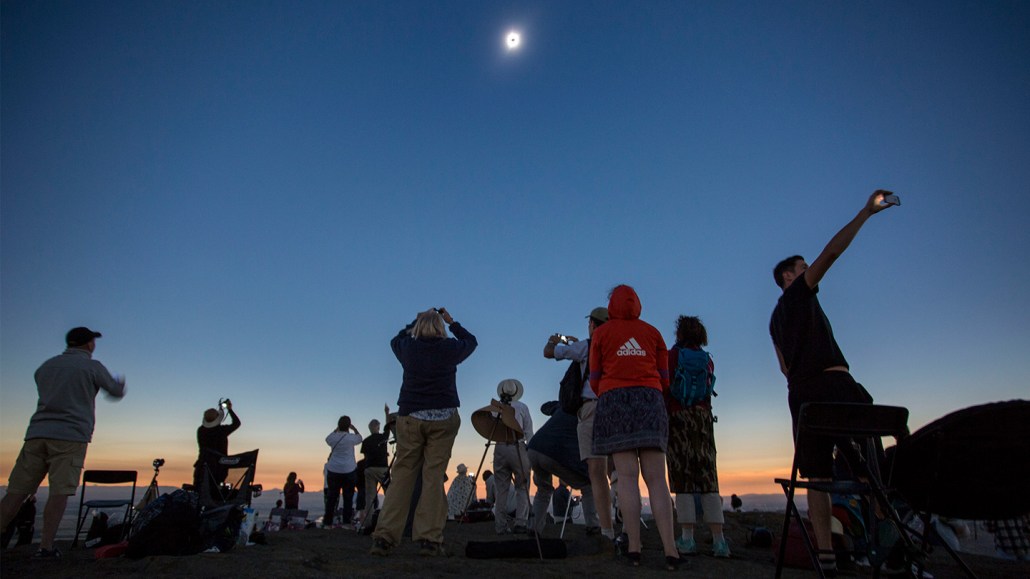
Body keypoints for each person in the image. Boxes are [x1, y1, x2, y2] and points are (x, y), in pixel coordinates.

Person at [770, 190, 896, 574]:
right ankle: (893, 552)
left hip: (803, 399)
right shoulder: (798, 297)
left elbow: (784, 369)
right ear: (789, 276)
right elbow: (832, 254)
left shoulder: (775, 320)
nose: (811, 271)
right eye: (803, 267)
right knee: (871, 475)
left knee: (818, 476)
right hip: (834, 389)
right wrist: (864, 214)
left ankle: (825, 557)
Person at [0, 327, 126, 558]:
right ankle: (46, 547)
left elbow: (43, 389)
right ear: (89, 344)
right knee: (59, 492)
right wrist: (119, 382)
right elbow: (115, 391)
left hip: (36, 433)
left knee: (16, 492)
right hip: (70, 436)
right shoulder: (91, 367)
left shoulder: (46, 367)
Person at [370, 307, 477, 557]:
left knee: (403, 476)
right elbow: (471, 342)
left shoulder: (408, 348)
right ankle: (429, 539)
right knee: (432, 477)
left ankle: (384, 538)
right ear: (440, 328)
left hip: (410, 417)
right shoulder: (450, 349)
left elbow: (395, 338)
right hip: (443, 419)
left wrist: (414, 320)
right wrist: (452, 322)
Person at [589, 285, 680, 570]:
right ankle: (671, 551)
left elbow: (594, 376)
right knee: (657, 480)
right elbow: (665, 376)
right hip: (650, 399)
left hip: (615, 401)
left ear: (611, 305)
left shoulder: (601, 334)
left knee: (626, 479)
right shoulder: (653, 333)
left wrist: (609, 390)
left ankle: (634, 549)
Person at [544, 306, 615, 540]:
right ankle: (626, 525)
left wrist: (555, 341)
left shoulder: (585, 346)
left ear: (593, 325)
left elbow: (548, 352)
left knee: (595, 471)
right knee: (620, 471)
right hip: (617, 409)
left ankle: (606, 530)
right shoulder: (618, 345)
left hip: (592, 408)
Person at [666, 315, 729, 557]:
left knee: (683, 479)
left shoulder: (673, 356)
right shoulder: (706, 359)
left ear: (679, 333)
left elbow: (665, 384)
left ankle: (687, 538)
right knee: (708, 477)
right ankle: (719, 540)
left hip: (678, 418)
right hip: (703, 420)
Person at [528, 401, 599, 535]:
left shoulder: (563, 407)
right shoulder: (587, 412)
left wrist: (562, 402)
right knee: (588, 486)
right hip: (554, 451)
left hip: (534, 448)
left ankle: (533, 529)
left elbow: (544, 407)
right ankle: (593, 526)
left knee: (543, 489)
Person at [491, 379, 534, 534]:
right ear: (516, 393)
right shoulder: (522, 407)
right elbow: (528, 431)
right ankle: (520, 523)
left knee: (501, 488)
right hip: (518, 446)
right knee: (522, 485)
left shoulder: (495, 408)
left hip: (500, 446)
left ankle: (500, 525)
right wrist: (530, 450)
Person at [192, 398, 241, 493]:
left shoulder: (201, 431)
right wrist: (229, 409)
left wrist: (220, 411)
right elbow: (236, 423)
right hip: (218, 470)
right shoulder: (221, 431)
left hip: (201, 469)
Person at [325, 416, 362, 529]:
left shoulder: (334, 437)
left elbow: (327, 439)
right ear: (348, 426)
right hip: (348, 470)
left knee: (331, 497)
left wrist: (336, 429)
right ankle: (346, 522)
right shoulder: (351, 438)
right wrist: (354, 428)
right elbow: (360, 438)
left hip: (333, 470)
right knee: (348, 498)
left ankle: (328, 523)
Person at [358, 407, 391, 526]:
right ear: (377, 427)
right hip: (382, 468)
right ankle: (389, 519)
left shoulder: (366, 441)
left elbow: (366, 456)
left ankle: (368, 523)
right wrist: (386, 413)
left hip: (369, 469)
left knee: (370, 497)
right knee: (389, 493)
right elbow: (388, 426)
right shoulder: (383, 437)